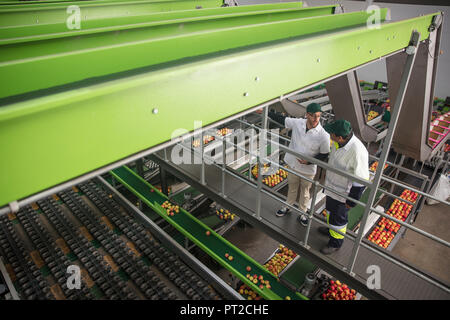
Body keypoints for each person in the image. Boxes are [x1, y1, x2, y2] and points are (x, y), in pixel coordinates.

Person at [264, 103, 330, 226]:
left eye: (318, 116)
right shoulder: (298, 123)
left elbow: (324, 154)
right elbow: (282, 119)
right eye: (313, 116)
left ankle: (303, 213)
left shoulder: (323, 135)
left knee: (305, 192)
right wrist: (264, 111)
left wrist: (309, 161)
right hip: (293, 165)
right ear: (307, 115)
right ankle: (287, 206)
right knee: (292, 187)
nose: (316, 119)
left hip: (308, 170)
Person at [320, 119, 370, 255]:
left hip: (343, 194)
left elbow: (361, 180)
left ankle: (335, 243)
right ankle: (331, 230)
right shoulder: (339, 143)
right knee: (330, 211)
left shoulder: (357, 151)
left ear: (340, 137)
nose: (330, 135)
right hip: (332, 188)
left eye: (332, 133)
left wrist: (351, 201)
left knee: (339, 219)